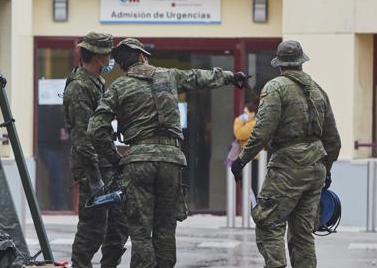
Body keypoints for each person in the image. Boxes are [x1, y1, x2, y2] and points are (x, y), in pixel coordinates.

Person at [89, 38, 248, 268]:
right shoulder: (169, 76)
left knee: (141, 232)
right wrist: (232, 77)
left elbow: (95, 129)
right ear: (142, 56)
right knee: (165, 228)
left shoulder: (119, 88)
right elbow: (200, 77)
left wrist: (116, 159)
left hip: (139, 161)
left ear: (124, 65)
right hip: (171, 160)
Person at [231, 40, 341, 268]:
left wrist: (241, 160)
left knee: (268, 223)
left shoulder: (275, 87)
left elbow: (261, 132)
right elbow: (333, 140)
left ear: (279, 65)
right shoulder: (318, 91)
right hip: (315, 169)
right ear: (301, 62)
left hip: (287, 168)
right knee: (303, 233)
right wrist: (326, 169)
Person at [62, 32, 128, 268]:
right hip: (94, 168)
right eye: (108, 54)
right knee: (93, 228)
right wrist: (94, 178)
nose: (110, 59)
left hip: (107, 164)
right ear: (99, 57)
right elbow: (83, 137)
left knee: (118, 227)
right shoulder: (79, 87)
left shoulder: (96, 82)